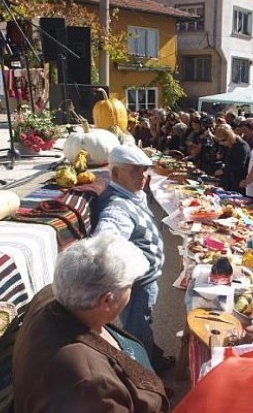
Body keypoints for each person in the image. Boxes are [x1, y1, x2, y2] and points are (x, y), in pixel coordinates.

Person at [13, 233, 169, 412]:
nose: (131, 291)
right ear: (107, 300)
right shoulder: (90, 386)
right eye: (129, 286)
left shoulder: (51, 296)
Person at [94, 144, 173, 372]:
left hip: (144, 281)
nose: (143, 177)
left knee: (143, 326)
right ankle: (145, 380)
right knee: (138, 334)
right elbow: (105, 244)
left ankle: (154, 360)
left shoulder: (131, 193)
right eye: (135, 171)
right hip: (138, 285)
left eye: (144, 170)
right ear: (116, 173)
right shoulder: (116, 207)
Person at [213, 124, 250, 193]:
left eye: (223, 140)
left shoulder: (242, 146)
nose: (221, 143)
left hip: (238, 180)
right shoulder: (229, 146)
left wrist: (223, 171)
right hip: (228, 179)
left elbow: (240, 165)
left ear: (229, 136)